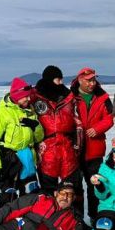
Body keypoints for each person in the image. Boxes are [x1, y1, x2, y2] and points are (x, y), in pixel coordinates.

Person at [32, 65, 84, 220]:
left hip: (67, 147)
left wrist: (77, 145)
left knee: (74, 188)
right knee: (48, 189)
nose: (61, 82)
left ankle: (76, 221)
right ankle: (49, 220)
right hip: (47, 148)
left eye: (61, 79)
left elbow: (77, 122)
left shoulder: (68, 97)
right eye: (57, 79)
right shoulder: (36, 98)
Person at [0, 77, 44, 211]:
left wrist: (36, 126)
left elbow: (39, 137)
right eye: (25, 97)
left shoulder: (30, 111)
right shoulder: (2, 114)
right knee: (8, 199)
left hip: (28, 161)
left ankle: (27, 227)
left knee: (30, 198)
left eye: (29, 97)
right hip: (9, 163)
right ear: (16, 97)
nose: (28, 100)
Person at [71, 67, 114, 229]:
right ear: (80, 80)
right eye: (88, 80)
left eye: (93, 80)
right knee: (76, 187)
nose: (92, 83)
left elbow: (110, 118)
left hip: (95, 149)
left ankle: (95, 216)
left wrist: (97, 128)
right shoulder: (71, 97)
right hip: (75, 150)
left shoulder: (102, 97)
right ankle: (77, 219)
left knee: (95, 185)